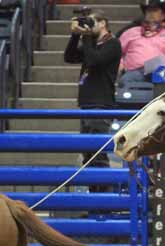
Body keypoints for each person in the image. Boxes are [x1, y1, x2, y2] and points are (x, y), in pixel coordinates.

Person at [64, 9, 121, 189]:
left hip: (101, 104)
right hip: (87, 104)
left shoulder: (113, 44)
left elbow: (94, 61)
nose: (89, 26)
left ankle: (105, 204)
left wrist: (86, 36)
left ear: (103, 23)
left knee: (98, 156)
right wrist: (75, 36)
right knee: (88, 157)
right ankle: (95, 204)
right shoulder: (92, 45)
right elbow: (70, 57)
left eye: (92, 22)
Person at [117, 0, 165, 87]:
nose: (151, 13)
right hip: (135, 71)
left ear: (163, 15)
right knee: (125, 80)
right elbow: (117, 51)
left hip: (161, 71)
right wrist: (120, 64)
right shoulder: (131, 32)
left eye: (155, 11)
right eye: (149, 11)